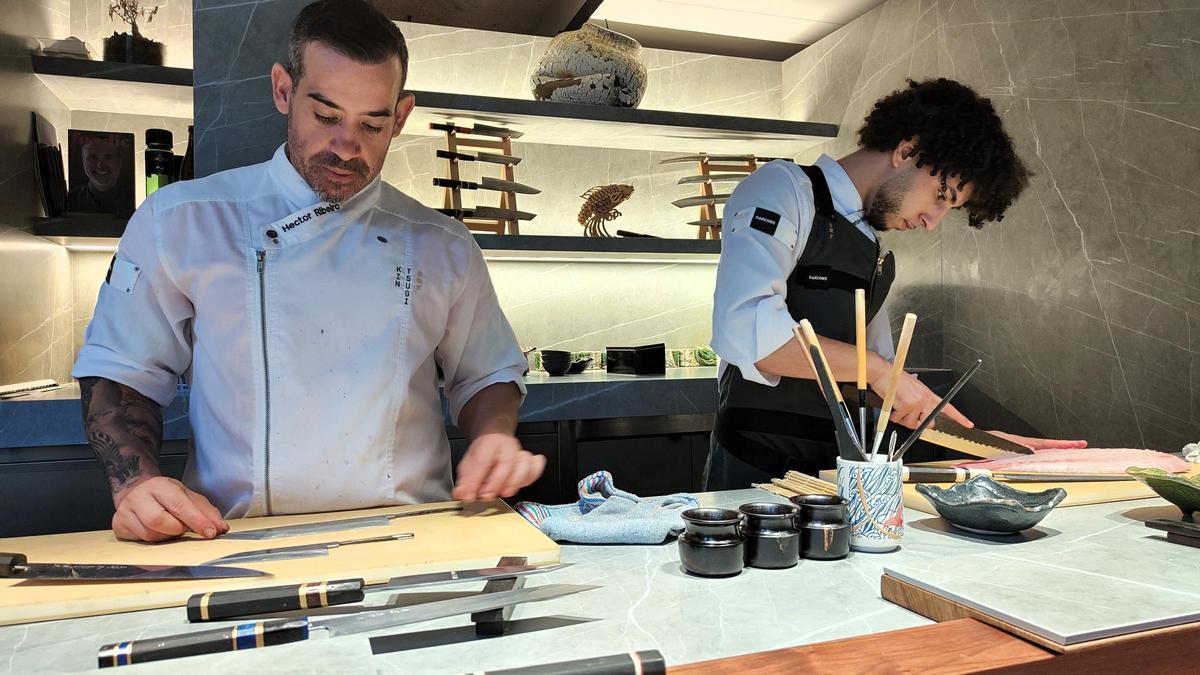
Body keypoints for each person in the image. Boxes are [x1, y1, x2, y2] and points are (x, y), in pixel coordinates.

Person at [72, 0, 544, 542]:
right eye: (325, 116)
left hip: (414, 540)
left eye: (373, 124)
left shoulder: (443, 244)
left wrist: (493, 437)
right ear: (282, 90)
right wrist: (135, 484)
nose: (347, 147)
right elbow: (122, 370)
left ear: (402, 116)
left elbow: (486, 374)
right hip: (232, 538)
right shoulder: (181, 220)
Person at [706, 78, 1085, 490]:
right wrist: (883, 373)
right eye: (943, 195)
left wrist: (987, 445)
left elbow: (875, 388)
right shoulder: (783, 189)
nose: (931, 222)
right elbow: (748, 331)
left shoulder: (869, 246)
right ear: (907, 151)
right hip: (752, 476)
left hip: (830, 480)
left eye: (949, 208)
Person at [66, 134, 133, 217]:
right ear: (83, 162)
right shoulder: (69, 201)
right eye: (93, 157)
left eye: (108, 157)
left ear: (119, 162)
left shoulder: (135, 203)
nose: (100, 165)